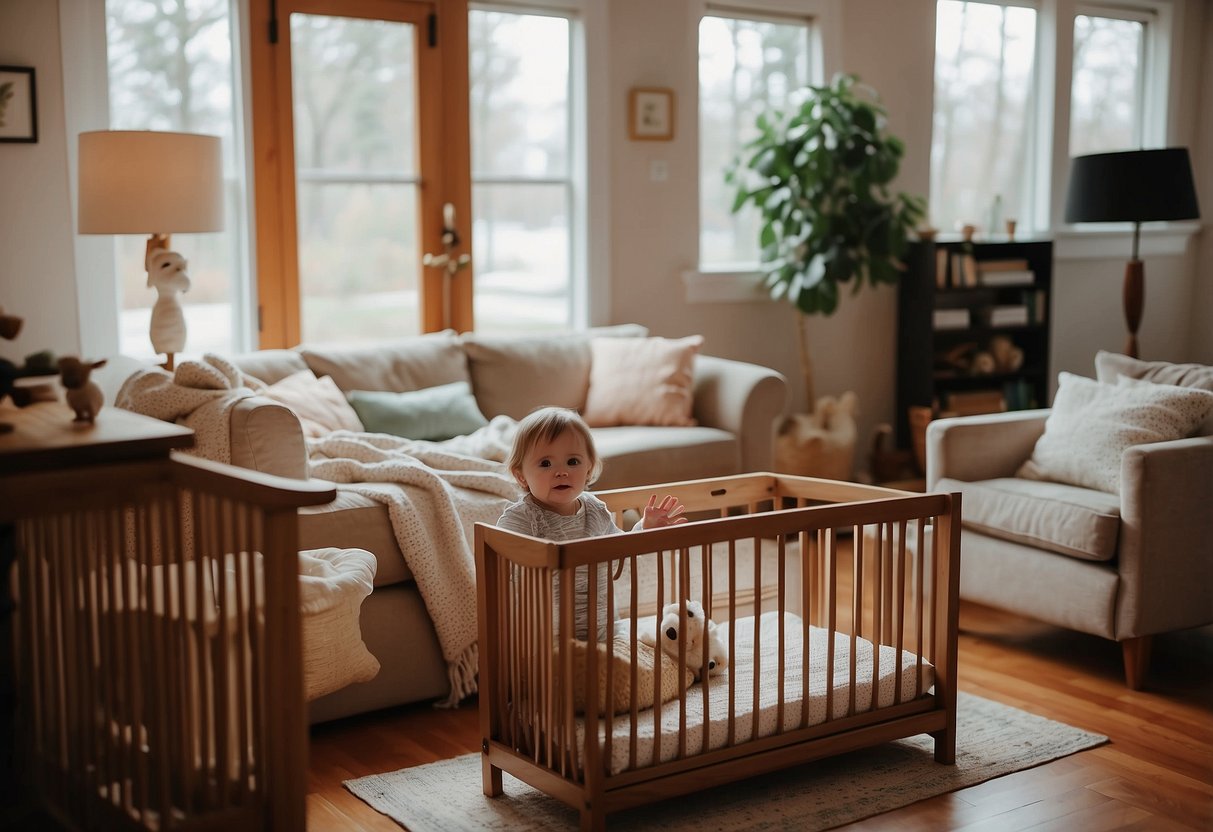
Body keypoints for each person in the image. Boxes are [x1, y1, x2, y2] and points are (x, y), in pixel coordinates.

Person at [498, 406, 687, 641]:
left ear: (588, 468)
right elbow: (501, 565)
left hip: (601, 629)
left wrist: (643, 530)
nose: (561, 472)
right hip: (545, 637)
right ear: (521, 475)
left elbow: (619, 548)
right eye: (546, 464)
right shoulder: (522, 518)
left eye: (573, 461)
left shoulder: (595, 510)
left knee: (621, 671)